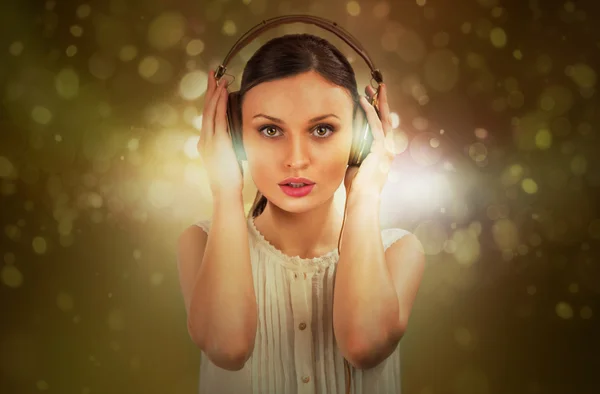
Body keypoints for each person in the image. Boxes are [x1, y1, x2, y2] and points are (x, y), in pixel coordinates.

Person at [176, 33, 425, 394]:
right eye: (270, 130)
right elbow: (227, 348)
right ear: (234, 133)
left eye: (322, 130)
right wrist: (225, 191)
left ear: (360, 139)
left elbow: (364, 345)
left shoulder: (398, 252)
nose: (296, 159)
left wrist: (365, 194)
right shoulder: (199, 243)